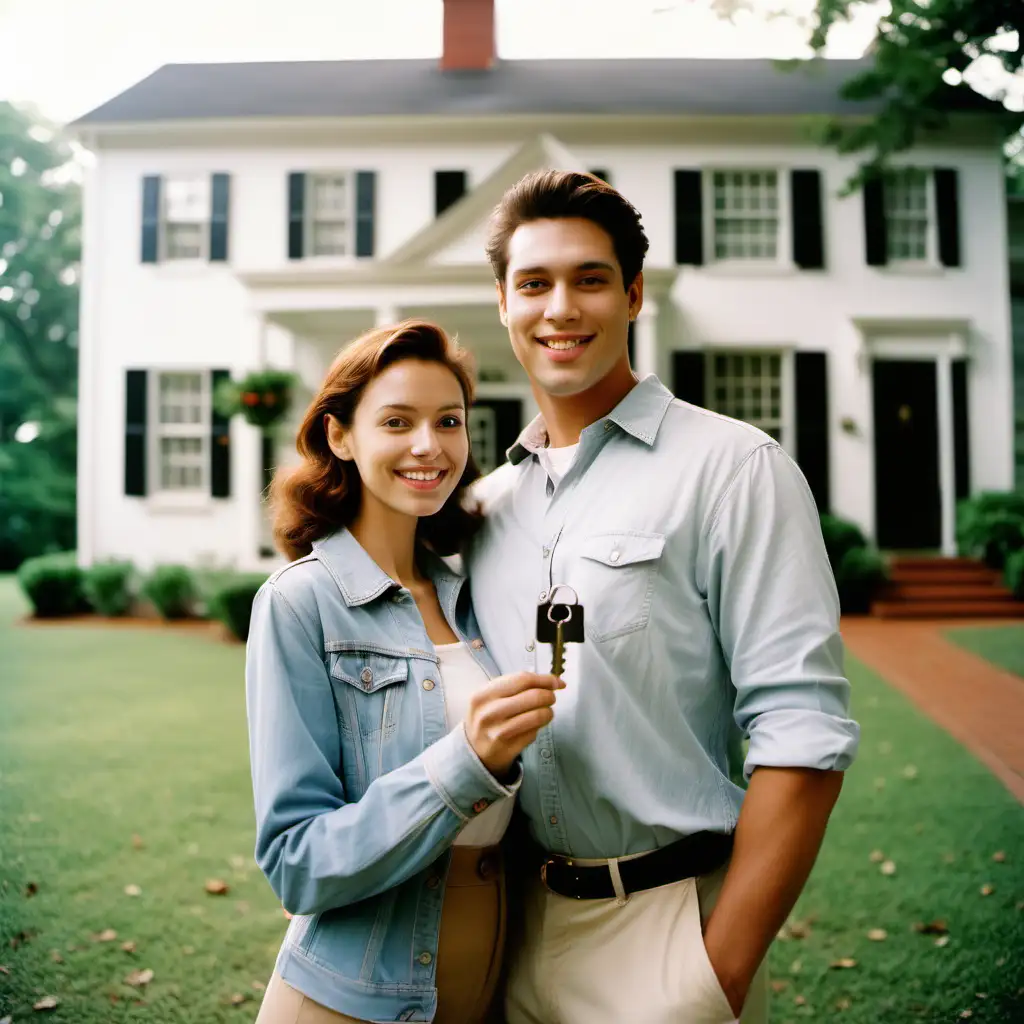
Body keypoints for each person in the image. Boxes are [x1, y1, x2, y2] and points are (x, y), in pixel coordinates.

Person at [466, 170, 861, 1024]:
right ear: (502, 303)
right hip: (508, 933)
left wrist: (710, 976)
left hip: (668, 932)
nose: (559, 308)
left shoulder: (733, 470)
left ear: (635, 294)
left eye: (590, 279)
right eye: (533, 283)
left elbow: (803, 732)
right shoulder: (486, 510)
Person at [245, 319, 564, 1024]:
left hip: (490, 969)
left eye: (448, 420)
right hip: (353, 990)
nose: (429, 445)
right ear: (341, 436)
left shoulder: (476, 592)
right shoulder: (301, 605)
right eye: (397, 421)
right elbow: (295, 861)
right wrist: (463, 762)